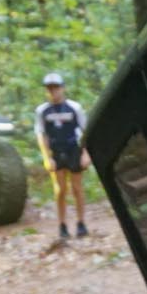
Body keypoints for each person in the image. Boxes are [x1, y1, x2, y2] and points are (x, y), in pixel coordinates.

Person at [34, 72, 93, 239]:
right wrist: (47, 157)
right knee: (60, 190)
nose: (53, 91)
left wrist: (86, 154)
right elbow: (42, 135)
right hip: (56, 151)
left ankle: (81, 223)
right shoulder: (42, 111)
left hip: (73, 149)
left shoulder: (74, 107)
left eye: (56, 88)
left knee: (77, 187)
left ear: (63, 88)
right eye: (50, 88)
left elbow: (85, 131)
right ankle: (62, 225)